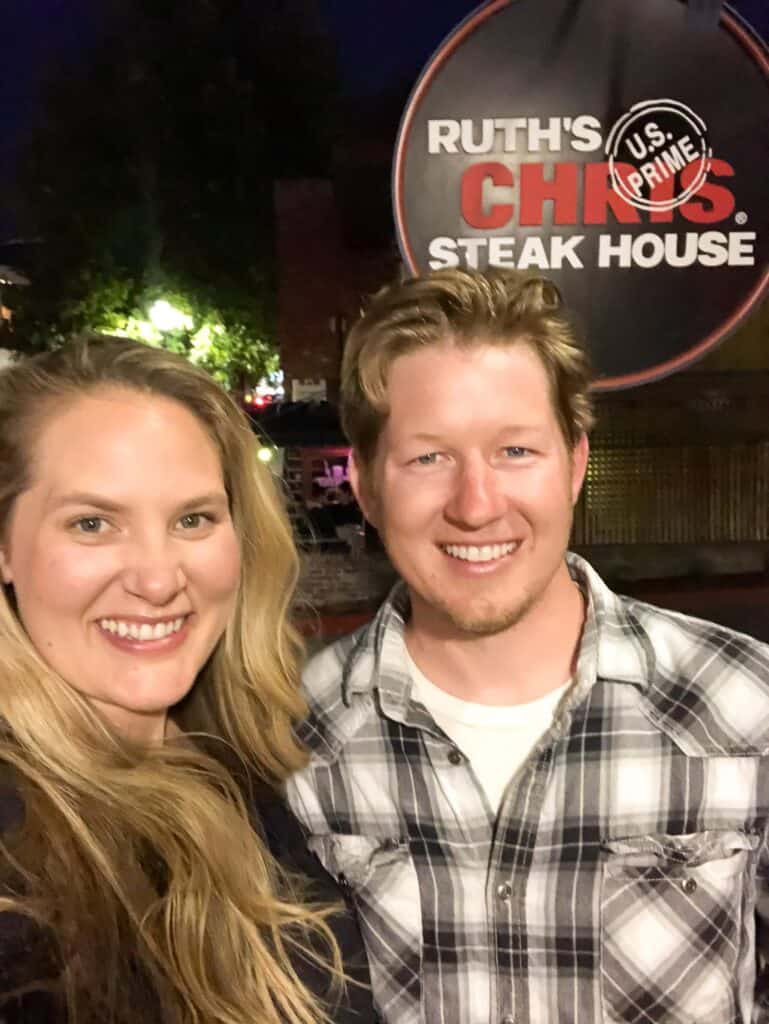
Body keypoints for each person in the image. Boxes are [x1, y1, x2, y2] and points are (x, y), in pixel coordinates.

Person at [288, 267, 769, 1024]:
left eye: (514, 451)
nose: (476, 505)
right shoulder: (289, 739)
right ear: (367, 486)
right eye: (427, 457)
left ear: (574, 465)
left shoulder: (747, 704)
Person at [0, 337, 373, 1023]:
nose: (157, 578)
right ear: (6, 548)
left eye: (192, 519)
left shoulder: (237, 764)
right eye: (92, 523)